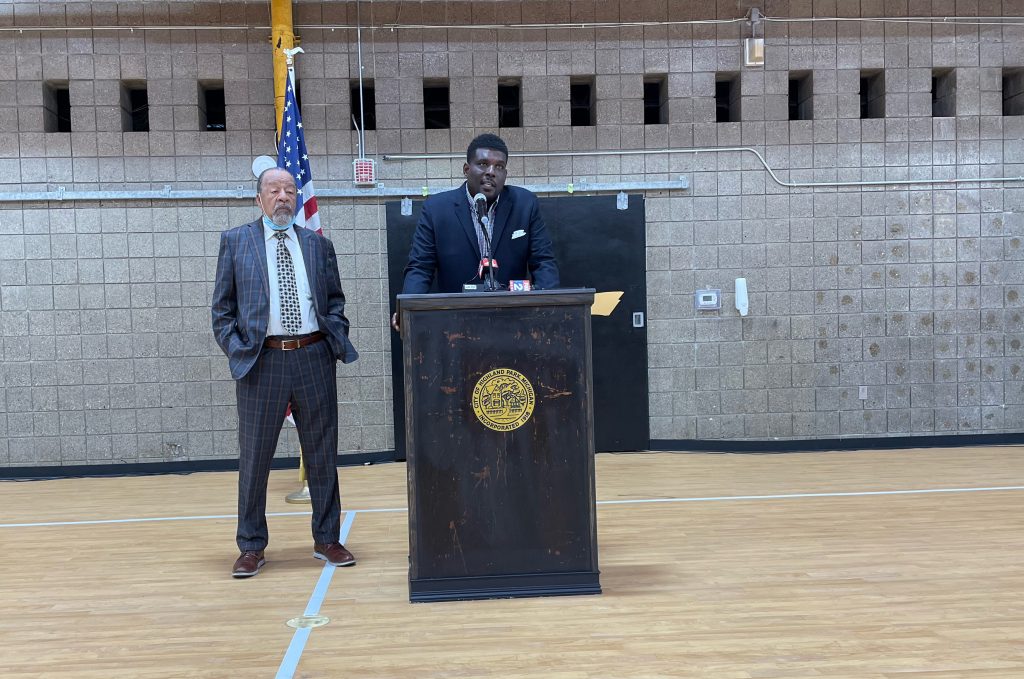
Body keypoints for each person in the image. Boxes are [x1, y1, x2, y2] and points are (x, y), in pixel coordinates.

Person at [212, 167, 359, 578]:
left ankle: (327, 538)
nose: (283, 197)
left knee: (322, 454)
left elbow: (335, 301)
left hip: (313, 356)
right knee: (256, 457)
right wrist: (241, 351)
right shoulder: (236, 242)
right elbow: (221, 311)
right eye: (274, 190)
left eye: (290, 191)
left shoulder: (317, 245)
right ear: (259, 198)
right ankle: (251, 546)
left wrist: (333, 338)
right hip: (263, 361)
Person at [392, 133, 559, 328]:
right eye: (483, 164)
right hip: (455, 325)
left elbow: (543, 261)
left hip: (513, 322)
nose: (491, 172)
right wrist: (408, 308)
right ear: (466, 169)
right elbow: (420, 267)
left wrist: (551, 307)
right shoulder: (437, 209)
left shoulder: (525, 204)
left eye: (499, 167)